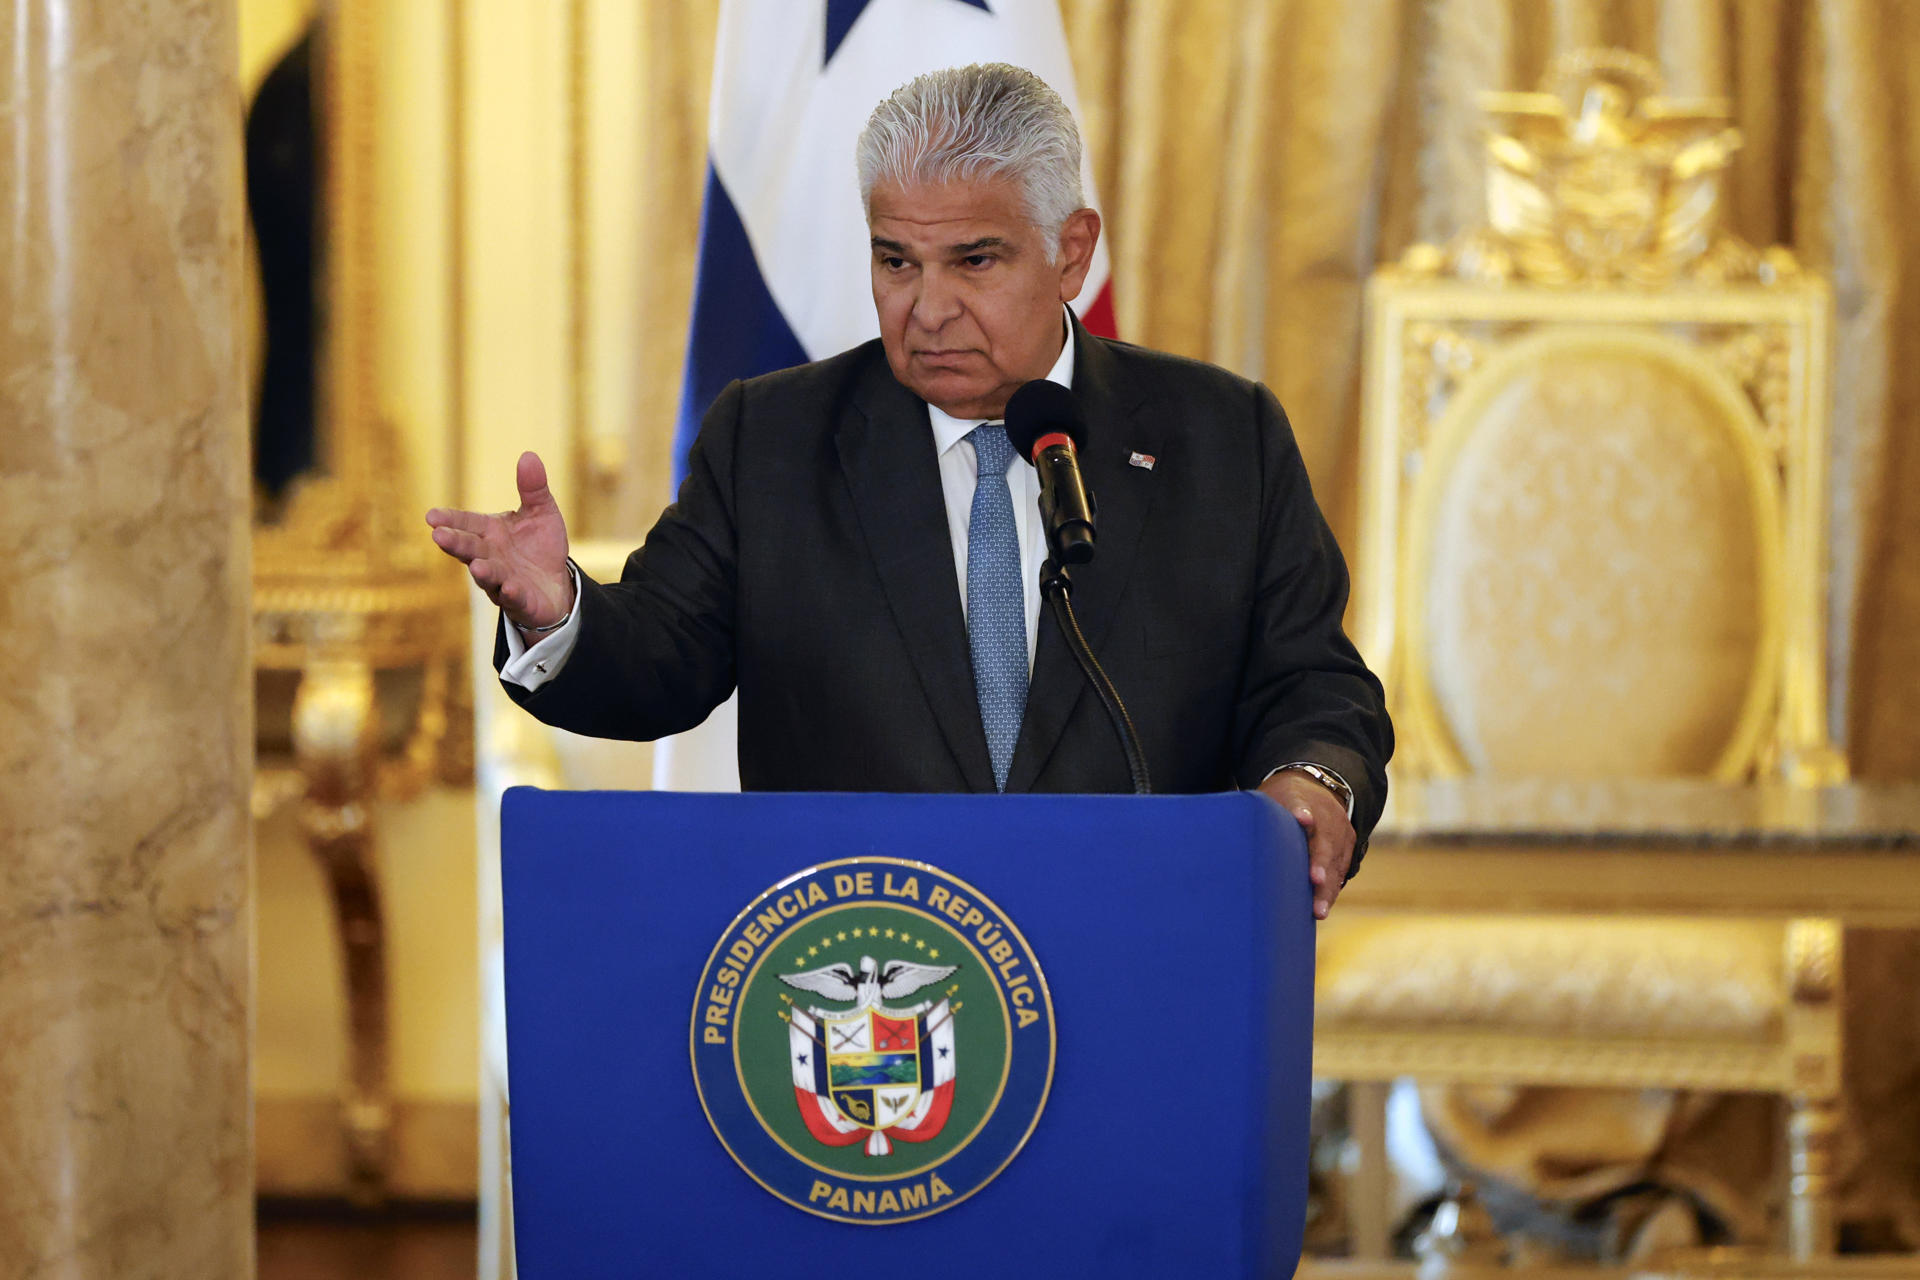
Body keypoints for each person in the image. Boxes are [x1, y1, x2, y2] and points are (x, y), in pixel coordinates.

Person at [426, 63, 1391, 918]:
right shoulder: (774, 440)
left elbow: (1313, 682)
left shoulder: (1221, 438)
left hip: (1141, 947)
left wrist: (1312, 779)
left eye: (974, 260)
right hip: (866, 982)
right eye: (896, 261)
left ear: (1070, 251)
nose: (926, 309)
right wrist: (560, 614)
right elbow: (661, 657)